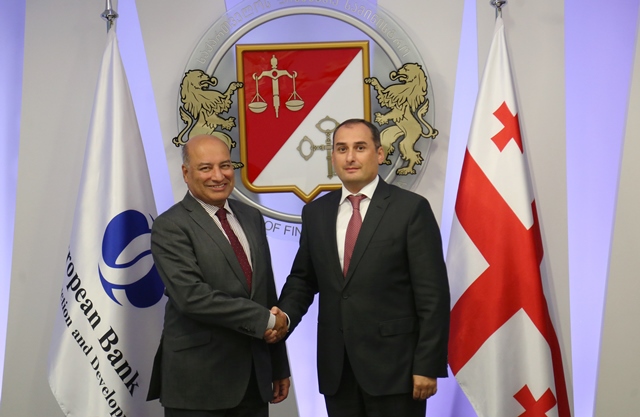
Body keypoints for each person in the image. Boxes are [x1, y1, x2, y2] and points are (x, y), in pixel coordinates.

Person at [271, 119, 450, 417]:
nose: (350, 157)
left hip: (397, 371)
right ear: (333, 157)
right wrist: (284, 317)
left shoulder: (410, 209)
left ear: (379, 154)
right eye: (342, 149)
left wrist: (428, 364)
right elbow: (303, 279)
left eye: (360, 148)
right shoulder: (316, 212)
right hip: (338, 371)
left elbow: (433, 296)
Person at [147, 134, 290, 417]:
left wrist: (278, 365)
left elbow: (265, 293)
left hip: (254, 381)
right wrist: (265, 320)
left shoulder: (251, 216)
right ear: (186, 173)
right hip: (199, 386)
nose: (218, 176)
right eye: (205, 168)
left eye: (225, 165)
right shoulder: (170, 226)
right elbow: (192, 297)